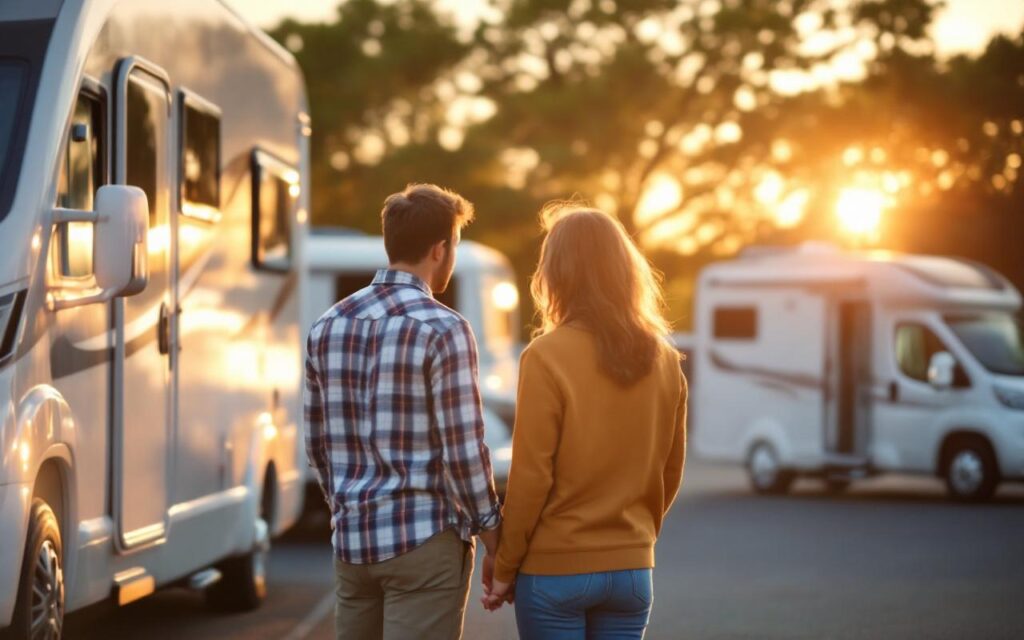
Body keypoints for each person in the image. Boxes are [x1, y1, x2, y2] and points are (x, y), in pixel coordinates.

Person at [304, 184, 502, 640]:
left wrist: (347, 507)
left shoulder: (327, 324)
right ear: (440, 249)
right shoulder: (444, 327)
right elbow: (463, 450)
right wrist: (494, 536)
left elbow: (317, 444)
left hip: (353, 544)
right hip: (423, 542)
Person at [482, 204, 687, 639]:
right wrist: (632, 539)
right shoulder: (667, 360)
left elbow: (531, 477)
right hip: (632, 572)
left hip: (556, 570)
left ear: (556, 274)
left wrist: (504, 568)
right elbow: (670, 472)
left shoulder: (544, 356)